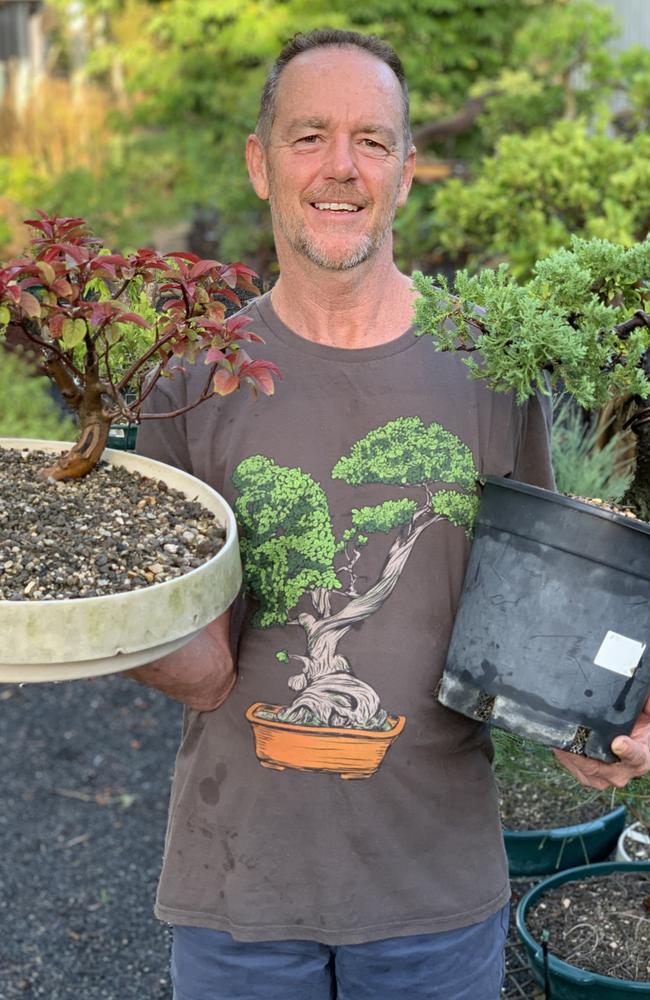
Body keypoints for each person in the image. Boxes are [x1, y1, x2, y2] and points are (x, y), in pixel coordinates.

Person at [131, 29, 650, 1000]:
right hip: (241, 889)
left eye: (372, 140)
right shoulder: (191, 377)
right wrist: (100, 615)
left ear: (407, 171)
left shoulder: (490, 364)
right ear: (258, 164)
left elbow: (537, 615)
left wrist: (596, 731)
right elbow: (202, 675)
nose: (340, 167)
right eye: (307, 136)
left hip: (434, 892)